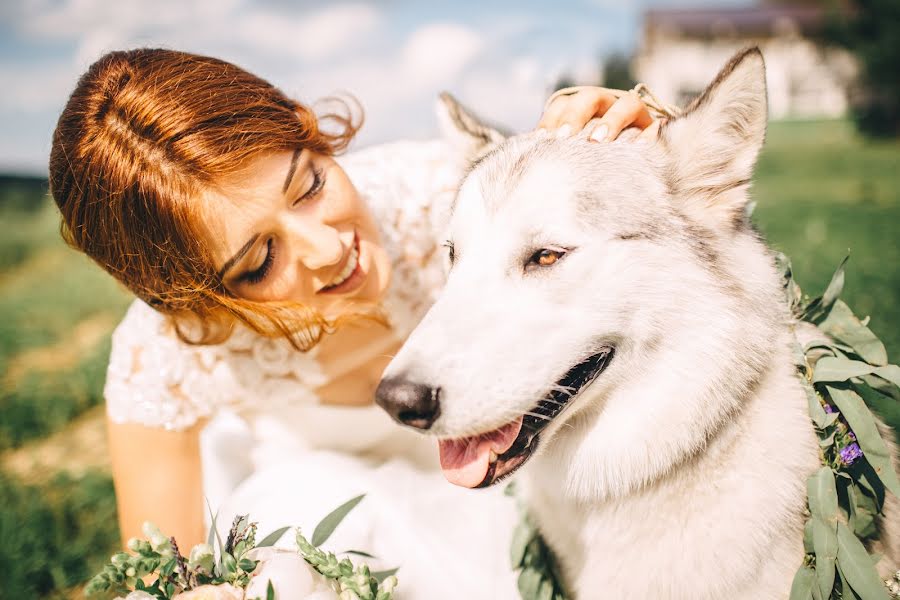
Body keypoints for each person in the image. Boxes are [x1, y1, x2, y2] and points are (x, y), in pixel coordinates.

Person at [49, 48, 659, 598]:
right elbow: (164, 575)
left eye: (309, 185)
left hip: (511, 474)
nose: (327, 249)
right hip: (333, 511)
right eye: (260, 260)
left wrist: (639, 131)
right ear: (201, 303)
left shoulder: (442, 195)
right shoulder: (160, 357)